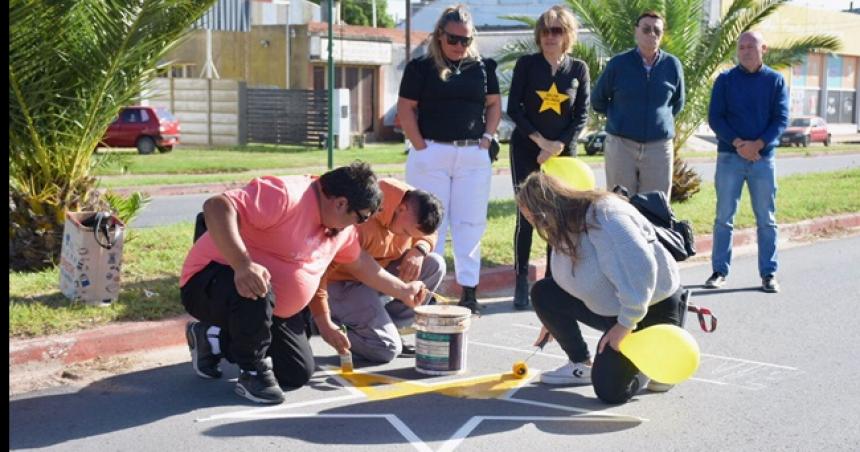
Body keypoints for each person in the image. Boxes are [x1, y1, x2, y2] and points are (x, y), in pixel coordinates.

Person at [179, 162, 426, 404]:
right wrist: (242, 265)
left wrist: (403, 290)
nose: (359, 226)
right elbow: (216, 206)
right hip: (211, 280)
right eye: (360, 218)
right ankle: (252, 373)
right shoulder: (287, 194)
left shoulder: (341, 229)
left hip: (271, 306)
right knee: (260, 285)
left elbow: (361, 263)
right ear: (341, 203)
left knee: (296, 372)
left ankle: (210, 337)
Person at [516, 171, 685, 404]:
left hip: (649, 307)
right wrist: (551, 319)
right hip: (615, 308)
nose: (532, 224)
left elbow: (641, 271)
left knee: (610, 392)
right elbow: (563, 278)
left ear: (545, 209)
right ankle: (580, 364)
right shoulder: (564, 222)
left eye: (531, 218)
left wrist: (625, 324)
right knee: (544, 293)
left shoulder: (606, 217)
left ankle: (652, 363)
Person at [397, 4, 502, 314]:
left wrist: (487, 137)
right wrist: (421, 146)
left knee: (470, 224)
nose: (459, 46)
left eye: (465, 40)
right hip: (432, 152)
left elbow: (494, 105)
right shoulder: (420, 67)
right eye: (453, 39)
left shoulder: (483, 68)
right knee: (430, 225)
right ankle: (428, 293)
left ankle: (469, 292)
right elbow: (405, 109)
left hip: (473, 153)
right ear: (440, 35)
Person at [507, 5, 590, 310]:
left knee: (560, 217)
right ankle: (520, 281)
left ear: (568, 35)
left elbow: (581, 115)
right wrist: (540, 141)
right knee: (527, 215)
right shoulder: (527, 65)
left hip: (562, 154)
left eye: (556, 30)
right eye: (545, 30)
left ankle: (557, 282)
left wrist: (556, 146)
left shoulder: (578, 69)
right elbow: (514, 108)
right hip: (527, 148)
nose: (549, 36)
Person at [314, 179, 446, 363]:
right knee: (386, 348)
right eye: (407, 232)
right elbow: (360, 268)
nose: (407, 238)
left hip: (374, 273)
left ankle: (387, 325)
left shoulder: (412, 200)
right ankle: (318, 322)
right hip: (341, 281)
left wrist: (420, 249)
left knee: (434, 264)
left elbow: (427, 230)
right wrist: (401, 289)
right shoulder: (363, 217)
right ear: (402, 209)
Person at [705, 31, 789, 293]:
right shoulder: (725, 80)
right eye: (741, 47)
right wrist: (740, 144)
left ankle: (768, 273)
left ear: (763, 48)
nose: (746, 51)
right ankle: (719, 271)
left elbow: (781, 119)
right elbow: (716, 118)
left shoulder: (775, 81)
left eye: (751, 46)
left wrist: (758, 145)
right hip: (730, 156)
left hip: (763, 159)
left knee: (766, 219)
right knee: (724, 218)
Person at [591, 10, 685, 197]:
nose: (652, 34)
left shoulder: (673, 65)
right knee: (620, 204)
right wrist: (620, 118)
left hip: (659, 148)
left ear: (662, 35)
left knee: (656, 206)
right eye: (646, 29)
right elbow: (598, 100)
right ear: (636, 32)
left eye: (657, 31)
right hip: (621, 145)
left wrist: (656, 123)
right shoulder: (618, 64)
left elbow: (677, 103)